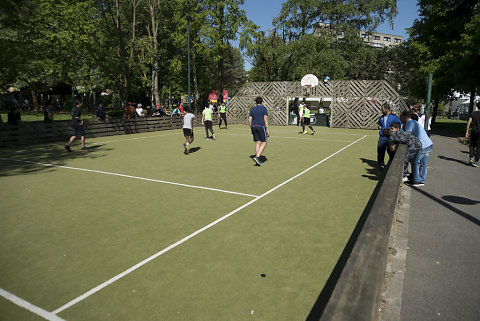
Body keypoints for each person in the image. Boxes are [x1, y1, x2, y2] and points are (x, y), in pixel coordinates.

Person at [400, 111, 433, 186]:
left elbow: (406, 136)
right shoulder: (414, 122)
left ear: (405, 116)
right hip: (428, 144)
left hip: (422, 145)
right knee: (423, 163)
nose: (400, 119)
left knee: (415, 161)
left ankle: (416, 180)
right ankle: (421, 180)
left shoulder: (409, 123)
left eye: (401, 117)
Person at [377, 103, 401, 169]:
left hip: (391, 137)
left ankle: (392, 164)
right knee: (380, 150)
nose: (381, 110)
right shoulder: (381, 117)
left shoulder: (394, 117)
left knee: (391, 151)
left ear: (386, 109)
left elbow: (399, 125)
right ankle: (381, 164)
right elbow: (379, 124)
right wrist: (379, 126)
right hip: (382, 137)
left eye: (382, 109)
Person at [249, 96, 270, 166]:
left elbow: (249, 120)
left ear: (255, 102)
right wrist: (267, 129)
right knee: (264, 142)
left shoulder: (252, 109)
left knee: (257, 142)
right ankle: (257, 157)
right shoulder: (264, 108)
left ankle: (258, 158)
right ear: (262, 102)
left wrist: (251, 127)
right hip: (260, 126)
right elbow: (265, 119)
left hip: (253, 126)